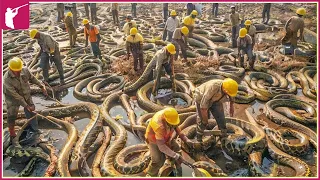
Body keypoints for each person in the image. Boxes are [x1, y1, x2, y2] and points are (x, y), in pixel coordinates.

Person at [4, 57, 48, 146]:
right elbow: (16, 96)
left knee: (31, 111)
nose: (19, 72)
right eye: (16, 71)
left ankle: (34, 129)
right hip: (12, 98)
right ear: (10, 69)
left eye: (19, 70)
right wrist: (26, 105)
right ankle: (12, 133)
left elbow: (32, 78)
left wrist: (41, 86)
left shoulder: (24, 70)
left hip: (26, 94)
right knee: (12, 115)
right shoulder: (6, 80)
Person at [145, 107, 193, 177]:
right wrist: (175, 155)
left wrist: (186, 139)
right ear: (166, 121)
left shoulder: (171, 118)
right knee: (157, 160)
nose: (174, 125)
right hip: (154, 140)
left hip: (166, 136)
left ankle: (175, 166)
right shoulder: (159, 126)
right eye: (172, 124)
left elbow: (176, 128)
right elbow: (161, 146)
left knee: (177, 149)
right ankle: (151, 174)